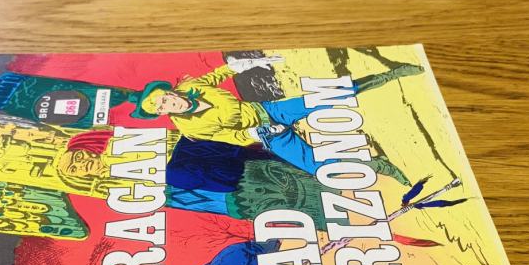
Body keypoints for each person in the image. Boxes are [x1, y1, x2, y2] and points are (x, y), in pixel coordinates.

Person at [130, 55, 423, 175]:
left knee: (329, 95)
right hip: (266, 134)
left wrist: (249, 63)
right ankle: (379, 166)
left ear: (171, 92)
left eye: (165, 99)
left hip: (269, 110)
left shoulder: (193, 87)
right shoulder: (191, 130)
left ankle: (392, 74)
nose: (170, 105)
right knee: (315, 167)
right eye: (162, 108)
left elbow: (218, 74)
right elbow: (231, 137)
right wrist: (258, 133)